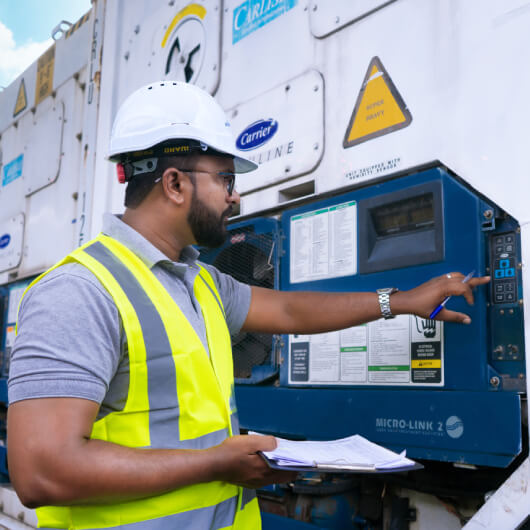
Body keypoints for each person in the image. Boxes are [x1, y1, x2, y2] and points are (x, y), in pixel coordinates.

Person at [7, 81, 490, 530]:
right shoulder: (80, 291)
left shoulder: (198, 281)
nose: (235, 198)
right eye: (226, 179)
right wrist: (219, 462)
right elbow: (42, 473)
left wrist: (401, 302)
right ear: (174, 184)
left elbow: (288, 313)